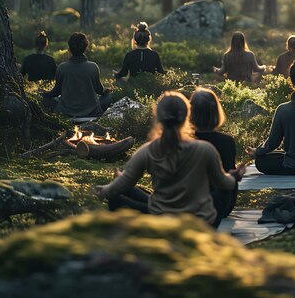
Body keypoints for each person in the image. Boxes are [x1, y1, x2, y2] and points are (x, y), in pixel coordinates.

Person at [95, 91, 246, 228]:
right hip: (198, 222)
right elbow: (224, 183)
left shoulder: (147, 151)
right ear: (187, 116)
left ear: (158, 117)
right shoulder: (205, 149)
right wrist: (234, 177)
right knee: (225, 189)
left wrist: (104, 190)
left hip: (162, 218)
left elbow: (122, 184)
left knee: (118, 198)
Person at [190, 87, 237, 219]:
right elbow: (230, 176)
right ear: (216, 112)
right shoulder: (227, 141)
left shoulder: (184, 141)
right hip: (221, 204)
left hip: (189, 203)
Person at [42, 32, 111, 118]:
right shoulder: (93, 67)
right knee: (107, 96)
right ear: (85, 48)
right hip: (91, 112)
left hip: (66, 112)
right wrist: (106, 90)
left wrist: (45, 93)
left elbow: (56, 92)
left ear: (70, 49)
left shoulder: (62, 67)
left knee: (46, 99)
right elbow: (99, 90)